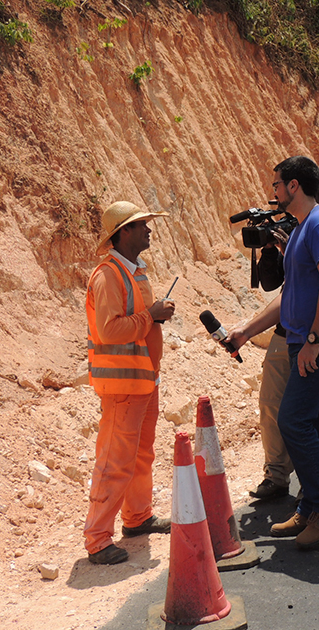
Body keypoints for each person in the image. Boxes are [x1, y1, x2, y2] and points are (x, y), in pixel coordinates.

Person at [228, 157, 319, 549]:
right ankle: (312, 506)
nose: (274, 192)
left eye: (278, 184)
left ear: (295, 186)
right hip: (307, 340)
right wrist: (246, 332)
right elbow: (291, 296)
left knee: (293, 421)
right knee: (313, 426)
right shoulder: (303, 229)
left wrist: (314, 339)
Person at [249, 183, 319, 501]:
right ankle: (277, 475)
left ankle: (317, 492)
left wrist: (314, 338)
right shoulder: (296, 238)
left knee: (313, 418)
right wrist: (274, 250)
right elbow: (273, 285)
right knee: (272, 407)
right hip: (287, 335)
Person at [83, 201, 176, 565]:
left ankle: (137, 518)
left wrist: (153, 318)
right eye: (141, 226)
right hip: (123, 387)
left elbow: (135, 321)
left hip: (142, 381)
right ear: (123, 233)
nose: (149, 231)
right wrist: (149, 316)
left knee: (140, 454)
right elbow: (108, 331)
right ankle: (97, 539)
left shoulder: (134, 272)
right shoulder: (108, 275)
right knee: (114, 461)